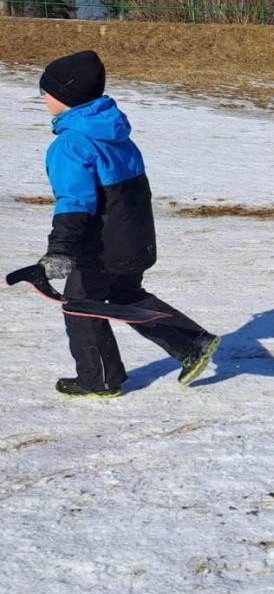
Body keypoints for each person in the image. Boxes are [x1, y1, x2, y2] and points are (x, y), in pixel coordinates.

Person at [35, 50, 220, 398]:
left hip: (101, 247)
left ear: (67, 95)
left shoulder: (71, 144)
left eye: (46, 90)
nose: (43, 97)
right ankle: (192, 341)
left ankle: (99, 380)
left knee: (79, 306)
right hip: (135, 239)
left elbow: (75, 203)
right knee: (126, 294)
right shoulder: (118, 135)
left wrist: (60, 249)